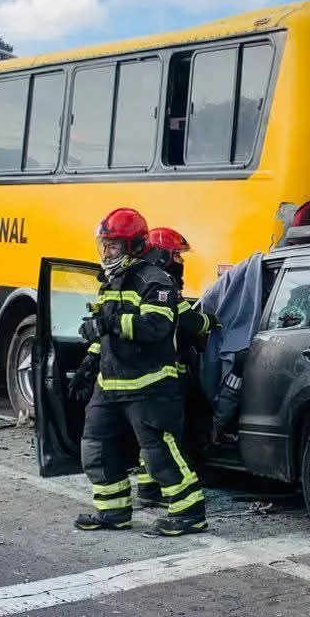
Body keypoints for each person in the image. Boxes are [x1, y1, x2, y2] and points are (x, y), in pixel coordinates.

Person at [68, 208, 213, 537]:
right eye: (104, 245)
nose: (107, 252)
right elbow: (104, 332)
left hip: (150, 386)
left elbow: (156, 326)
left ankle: (190, 514)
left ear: (133, 245)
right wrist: (89, 363)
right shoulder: (110, 282)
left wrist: (110, 323)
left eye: (113, 246)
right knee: (95, 447)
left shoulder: (155, 281)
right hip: (110, 384)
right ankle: (113, 512)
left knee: (160, 454)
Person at [122, 226, 201, 508]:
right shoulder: (163, 285)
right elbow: (190, 324)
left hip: (146, 373)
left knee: (151, 436)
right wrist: (212, 322)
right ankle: (180, 500)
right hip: (164, 375)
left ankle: (148, 488)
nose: (181, 260)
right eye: (177, 255)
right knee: (166, 437)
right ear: (163, 254)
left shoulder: (140, 281)